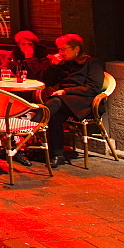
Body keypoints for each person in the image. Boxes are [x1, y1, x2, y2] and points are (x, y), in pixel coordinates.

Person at [40, 34, 104, 168]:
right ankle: (58, 155)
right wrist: (53, 66)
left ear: (76, 49)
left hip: (85, 102)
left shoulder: (92, 62)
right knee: (55, 116)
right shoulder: (63, 64)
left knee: (56, 101)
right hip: (64, 101)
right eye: (59, 49)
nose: (60, 52)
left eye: (63, 49)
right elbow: (47, 82)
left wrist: (65, 92)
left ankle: (29, 129)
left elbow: (93, 88)